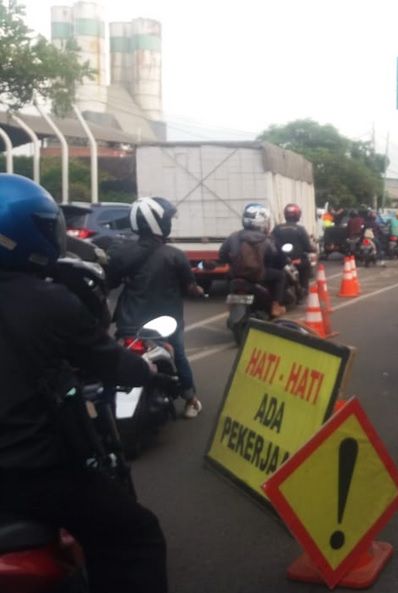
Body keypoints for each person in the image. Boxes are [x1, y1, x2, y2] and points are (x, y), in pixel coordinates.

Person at [0, 174, 168, 593]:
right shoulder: (47, 298)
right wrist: (144, 369)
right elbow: (110, 362)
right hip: (30, 471)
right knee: (138, 534)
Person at [107, 197, 204, 419]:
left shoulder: (122, 252)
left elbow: (110, 282)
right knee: (179, 356)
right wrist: (197, 291)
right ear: (158, 222)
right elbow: (190, 287)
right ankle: (191, 399)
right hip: (165, 325)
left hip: (129, 323)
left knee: (117, 357)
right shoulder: (174, 255)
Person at [219, 203, 287, 318]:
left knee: (228, 277)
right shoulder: (266, 239)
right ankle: (276, 305)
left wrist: (233, 263)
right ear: (263, 221)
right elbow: (276, 258)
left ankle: (232, 304)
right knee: (281, 276)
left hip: (236, 275)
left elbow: (222, 254)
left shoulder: (234, 236)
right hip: (258, 276)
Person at [272, 203, 316, 289]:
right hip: (297, 261)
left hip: (280, 261)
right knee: (307, 264)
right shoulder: (300, 229)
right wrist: (313, 249)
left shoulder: (277, 228)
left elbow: (271, 242)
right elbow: (307, 247)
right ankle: (304, 288)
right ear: (297, 215)